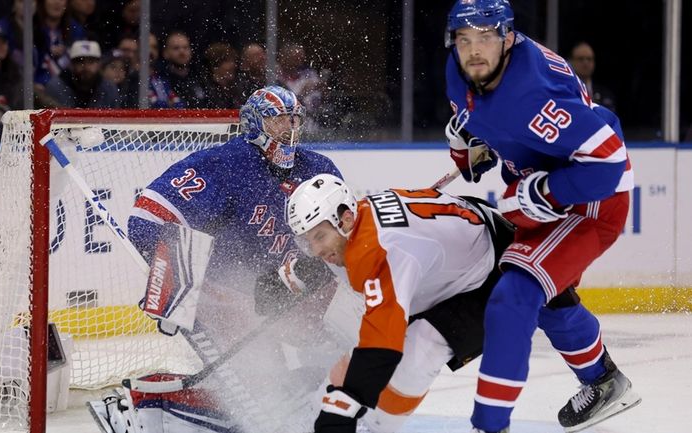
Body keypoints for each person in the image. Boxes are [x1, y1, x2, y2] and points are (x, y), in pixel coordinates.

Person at [91, 86, 345, 433]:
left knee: (342, 365)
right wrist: (180, 282)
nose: (290, 128)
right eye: (278, 120)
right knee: (261, 405)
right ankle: (143, 411)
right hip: (230, 300)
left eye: (294, 119)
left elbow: (342, 229)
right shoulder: (225, 164)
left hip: (291, 296)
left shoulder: (317, 167)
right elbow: (147, 218)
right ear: (254, 124)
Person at [443, 1, 641, 432]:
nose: (474, 50)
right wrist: (471, 142)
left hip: (591, 197)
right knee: (547, 292)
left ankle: (489, 425)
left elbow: (608, 160)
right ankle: (603, 380)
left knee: (514, 296)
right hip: (542, 178)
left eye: (486, 38)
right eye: (464, 40)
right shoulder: (460, 69)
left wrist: (548, 191)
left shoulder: (533, 94)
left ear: (508, 38)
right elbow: (483, 146)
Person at [286, 174, 514, 433]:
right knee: (362, 359)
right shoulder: (356, 221)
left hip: (491, 274)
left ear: (345, 220)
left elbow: (382, 344)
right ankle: (315, 415)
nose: (315, 251)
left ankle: (375, 428)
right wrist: (289, 275)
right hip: (449, 262)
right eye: (307, 241)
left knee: (422, 349)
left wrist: (344, 406)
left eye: (319, 237)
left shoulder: (377, 248)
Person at [45, 40, 120, 108]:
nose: (86, 67)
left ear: (99, 64)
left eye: (91, 62)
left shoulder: (109, 89)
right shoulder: (56, 86)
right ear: (71, 64)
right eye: (80, 62)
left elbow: (116, 120)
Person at [569, 41, 617, 114]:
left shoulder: (606, 94)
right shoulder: (566, 90)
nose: (585, 63)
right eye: (580, 59)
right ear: (571, 62)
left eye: (589, 59)